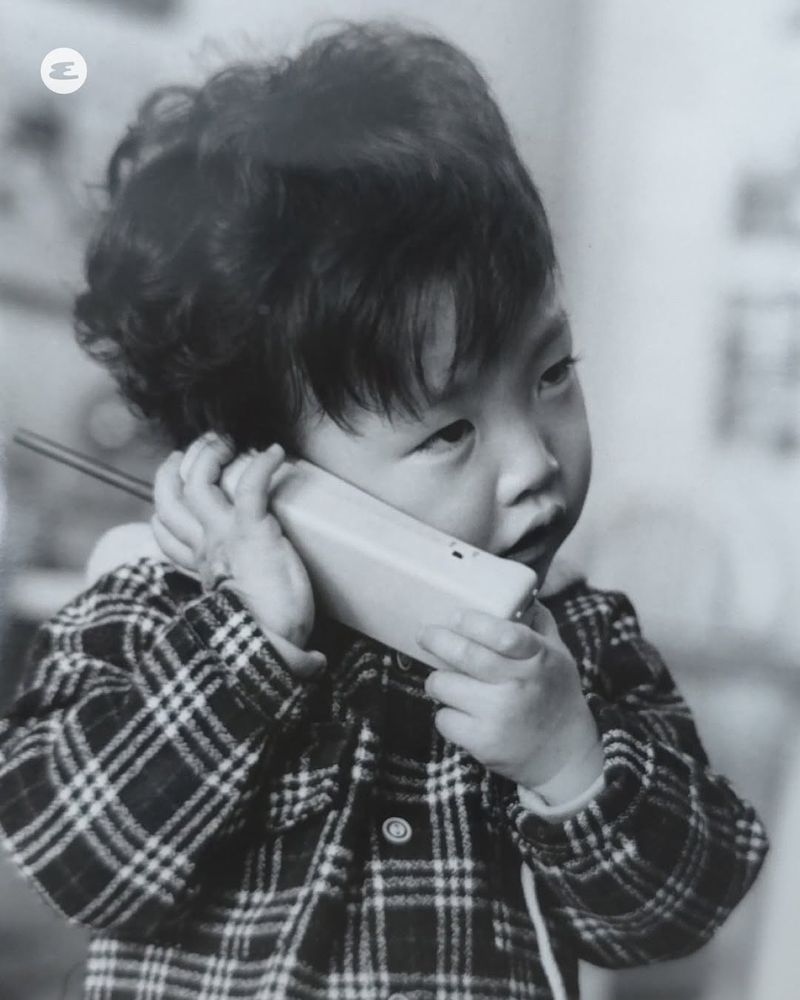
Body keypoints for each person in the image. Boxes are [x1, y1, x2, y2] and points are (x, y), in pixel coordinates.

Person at [0, 20, 768, 1000]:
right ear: (259, 463)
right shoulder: (150, 606)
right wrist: (244, 650)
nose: (534, 460)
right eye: (448, 432)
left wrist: (569, 760)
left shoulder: (573, 644)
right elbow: (71, 858)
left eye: (552, 372)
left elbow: (679, 907)